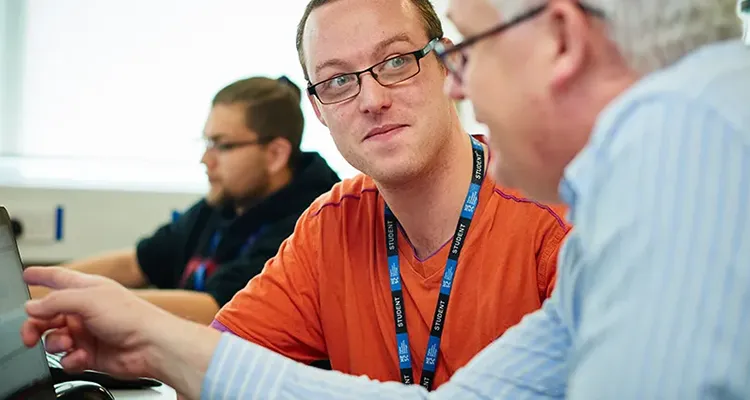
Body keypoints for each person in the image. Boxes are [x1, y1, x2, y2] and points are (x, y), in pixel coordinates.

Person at [19, 0, 750, 399]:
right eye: (337, 80)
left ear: (560, 38)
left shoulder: (683, 141)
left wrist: (159, 336)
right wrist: (156, 339)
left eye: (459, 49)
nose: (462, 82)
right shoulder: (627, 202)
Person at [208, 0, 569, 389]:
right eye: (338, 81)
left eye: (396, 61)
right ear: (318, 110)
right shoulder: (330, 228)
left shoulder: (554, 219)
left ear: (446, 63)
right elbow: (212, 369)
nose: (372, 101)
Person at [29, 76, 341, 325]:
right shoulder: (224, 203)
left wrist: (82, 303)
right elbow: (136, 263)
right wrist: (36, 287)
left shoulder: (312, 220)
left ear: (275, 155)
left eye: (221, 145)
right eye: (207, 142)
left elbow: (218, 311)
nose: (206, 159)